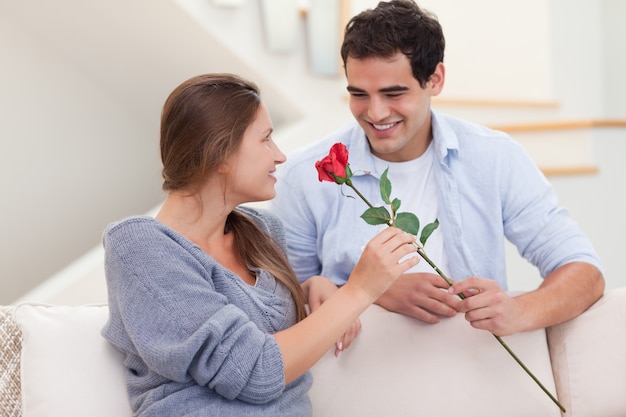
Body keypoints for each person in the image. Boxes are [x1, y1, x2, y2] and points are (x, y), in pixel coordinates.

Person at [271, 0, 605, 340]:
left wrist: (520, 311)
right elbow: (277, 303)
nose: (374, 112)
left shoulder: (494, 158)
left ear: (435, 79)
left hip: (474, 366)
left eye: (393, 93)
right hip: (356, 376)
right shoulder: (303, 176)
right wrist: (374, 291)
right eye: (359, 94)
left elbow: (585, 272)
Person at [100, 73, 418, 417]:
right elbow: (254, 371)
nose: (279, 156)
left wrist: (310, 287)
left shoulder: (262, 232)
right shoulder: (138, 248)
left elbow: (247, 312)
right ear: (218, 151)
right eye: (266, 139)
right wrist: (359, 291)